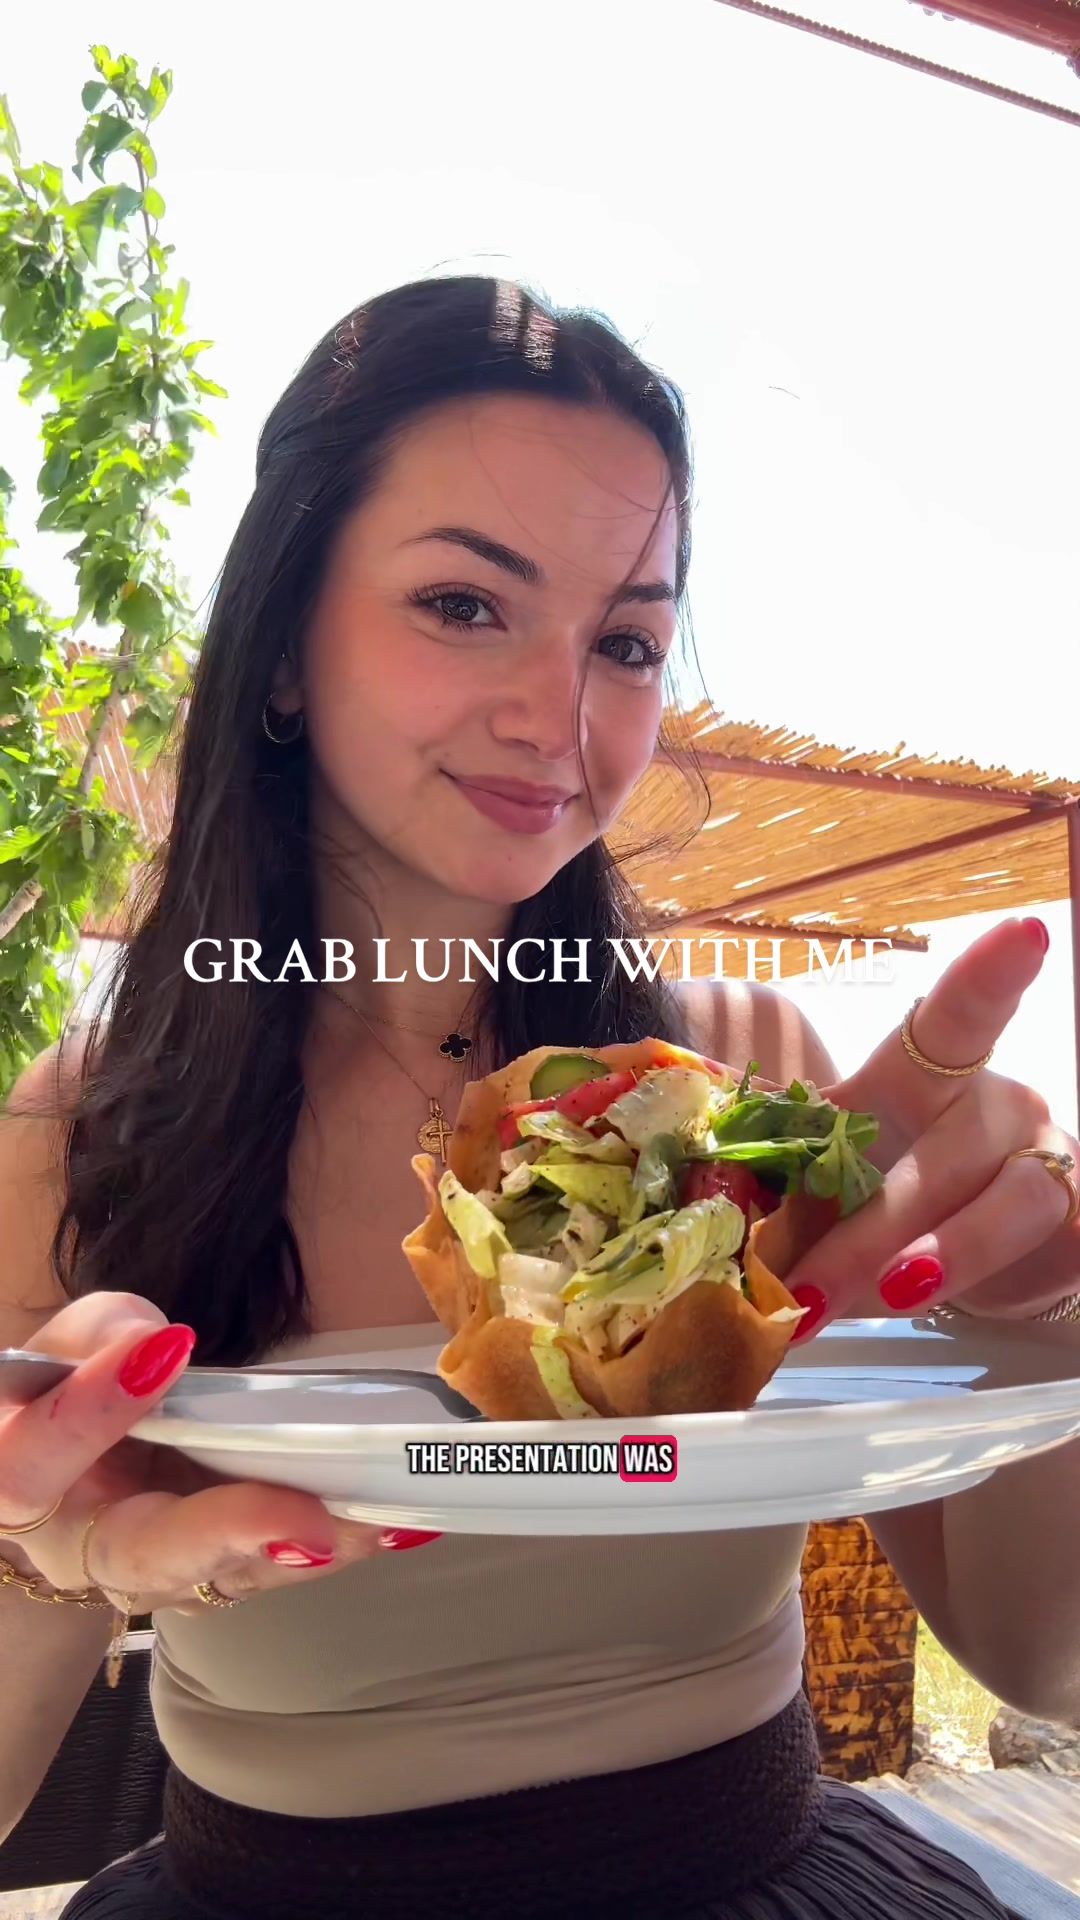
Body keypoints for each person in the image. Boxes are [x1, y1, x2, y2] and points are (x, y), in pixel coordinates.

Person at [1, 276, 1079, 1920]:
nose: (559, 719)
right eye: (464, 603)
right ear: (282, 648)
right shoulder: (78, 1135)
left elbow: (1044, 1658)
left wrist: (1043, 1319)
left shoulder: (761, 1097)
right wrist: (38, 1547)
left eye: (627, 642)